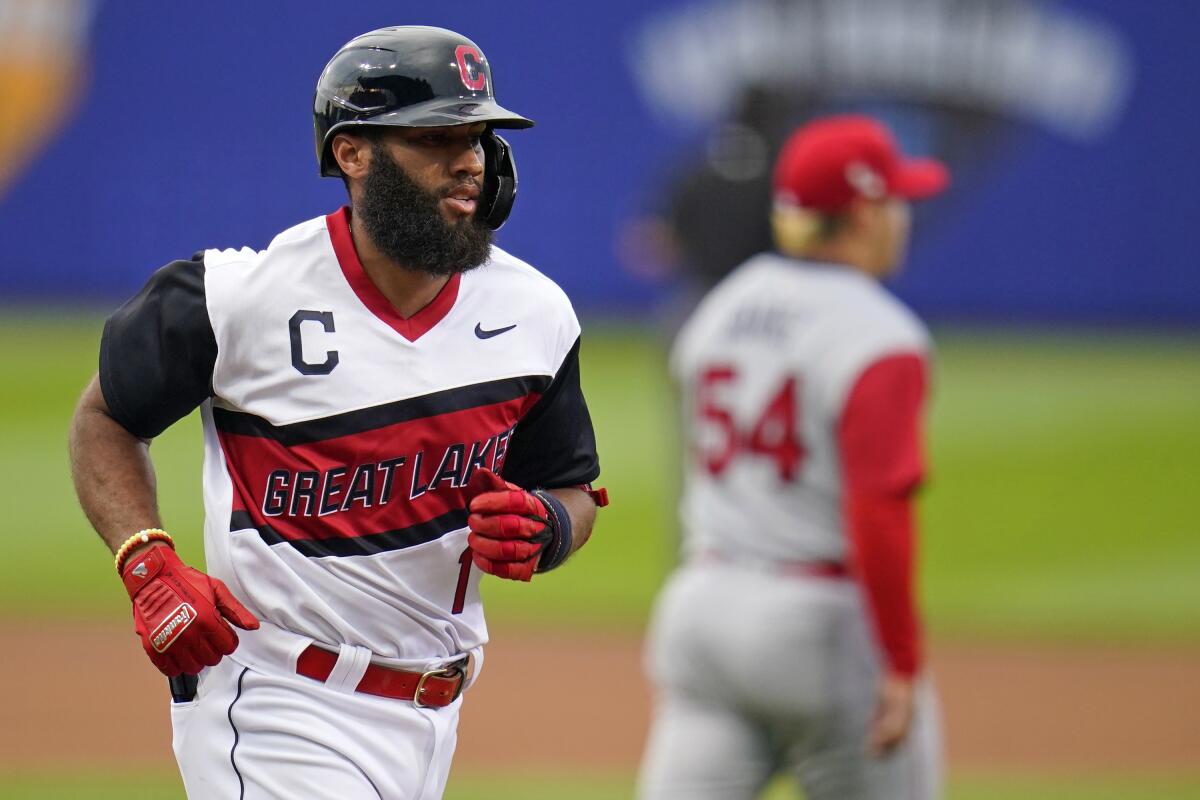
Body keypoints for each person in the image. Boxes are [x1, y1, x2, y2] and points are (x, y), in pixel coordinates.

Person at [68, 25, 606, 800]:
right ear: (353, 153)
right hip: (276, 703)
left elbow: (570, 486)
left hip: (436, 715)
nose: (470, 160)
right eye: (436, 136)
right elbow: (105, 417)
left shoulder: (535, 313)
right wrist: (145, 560)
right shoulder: (238, 298)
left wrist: (551, 528)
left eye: (481, 136)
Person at [637, 115, 947, 800]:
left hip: (701, 608)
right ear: (863, 214)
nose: (902, 217)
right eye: (894, 201)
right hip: (820, 623)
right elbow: (879, 508)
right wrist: (901, 659)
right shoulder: (879, 334)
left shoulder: (724, 305)